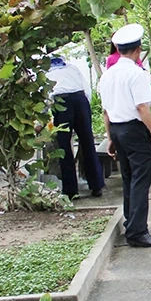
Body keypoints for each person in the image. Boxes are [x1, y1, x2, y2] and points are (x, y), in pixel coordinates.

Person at [98, 24, 151, 247]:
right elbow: (142, 107)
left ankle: (131, 221)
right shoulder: (136, 74)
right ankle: (137, 232)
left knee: (128, 177)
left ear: (119, 49)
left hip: (117, 129)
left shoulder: (108, 75)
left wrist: (110, 137)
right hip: (134, 130)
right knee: (140, 178)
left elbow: (105, 111)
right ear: (138, 49)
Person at [48, 56, 104, 199]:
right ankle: (96, 185)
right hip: (80, 100)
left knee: (64, 147)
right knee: (87, 142)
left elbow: (45, 97)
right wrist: (85, 108)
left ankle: (71, 190)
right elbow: (87, 90)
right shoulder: (72, 68)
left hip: (61, 102)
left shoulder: (46, 73)